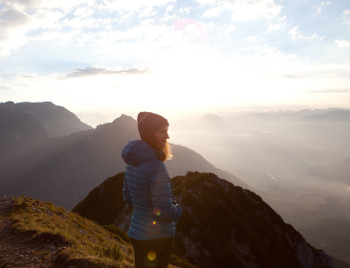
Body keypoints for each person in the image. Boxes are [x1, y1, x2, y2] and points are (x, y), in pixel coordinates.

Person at [122, 111, 183, 268]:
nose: (167, 136)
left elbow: (128, 197)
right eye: (162, 131)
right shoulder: (156, 167)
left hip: (137, 233)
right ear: (150, 134)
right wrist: (178, 209)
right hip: (158, 237)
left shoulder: (132, 160)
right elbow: (164, 211)